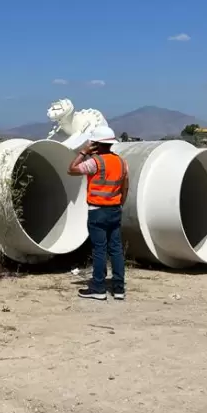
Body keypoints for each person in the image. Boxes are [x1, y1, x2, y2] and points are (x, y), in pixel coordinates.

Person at [67, 125, 129, 301]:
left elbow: (71, 169)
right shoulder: (121, 162)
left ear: (96, 144)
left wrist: (83, 152)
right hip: (115, 209)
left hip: (97, 211)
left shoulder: (95, 162)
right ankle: (118, 288)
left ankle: (98, 288)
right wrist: (118, 204)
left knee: (100, 249)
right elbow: (126, 186)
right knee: (116, 249)